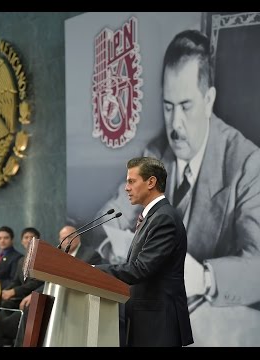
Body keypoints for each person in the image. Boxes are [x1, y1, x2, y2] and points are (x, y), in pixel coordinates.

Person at [93, 29, 260, 346]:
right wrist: (108, 242)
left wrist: (206, 278)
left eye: (186, 106)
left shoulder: (247, 163)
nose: (175, 125)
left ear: (209, 100)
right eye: (168, 107)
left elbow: (259, 265)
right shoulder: (155, 152)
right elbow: (114, 212)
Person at [94, 157, 193, 346]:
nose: (126, 188)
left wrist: (93, 270)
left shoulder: (164, 219)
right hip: (147, 321)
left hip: (158, 324)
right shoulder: (154, 216)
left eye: (131, 181)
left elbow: (140, 269)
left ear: (151, 182)